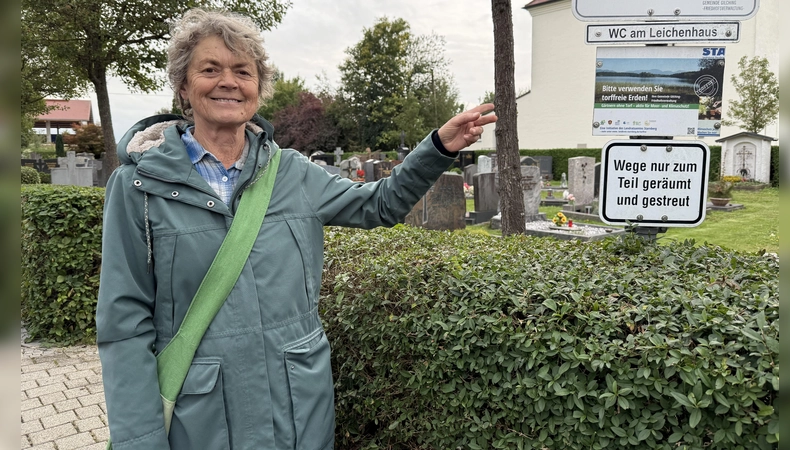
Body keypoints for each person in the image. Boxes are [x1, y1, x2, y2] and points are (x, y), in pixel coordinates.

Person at [96, 8, 496, 450]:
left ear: (258, 89)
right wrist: (141, 440)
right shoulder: (139, 188)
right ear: (183, 88)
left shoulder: (292, 174)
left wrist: (437, 147)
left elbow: (380, 204)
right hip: (201, 421)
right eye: (210, 69)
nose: (228, 81)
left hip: (298, 411)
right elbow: (124, 325)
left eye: (243, 71)